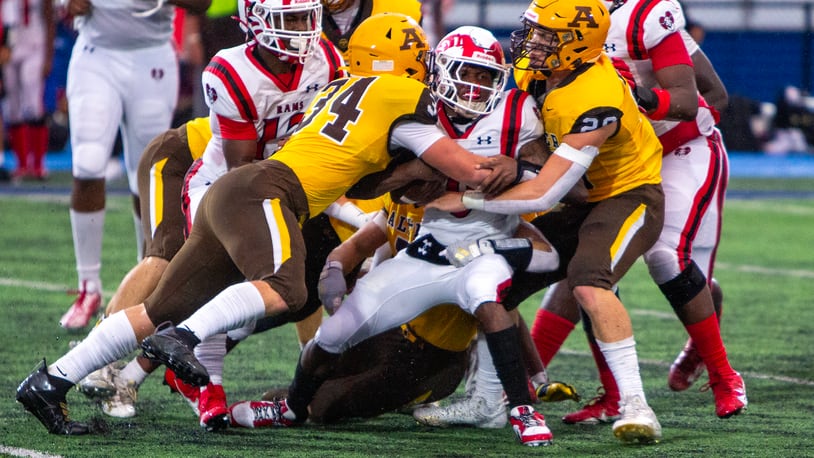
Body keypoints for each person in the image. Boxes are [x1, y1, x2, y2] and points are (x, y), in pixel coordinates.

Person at [16, 12, 519, 436]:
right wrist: (516, 164)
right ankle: (185, 338)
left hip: (234, 189)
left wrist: (408, 171)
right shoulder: (407, 104)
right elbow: (470, 170)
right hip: (265, 191)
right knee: (286, 289)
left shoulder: (349, 92)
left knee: (156, 310)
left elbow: (361, 185)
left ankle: (51, 381)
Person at [77, 0, 345, 430]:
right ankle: (99, 361)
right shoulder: (232, 70)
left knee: (282, 266)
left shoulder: (328, 59)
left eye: (303, 16)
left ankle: (190, 381)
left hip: (270, 181)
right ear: (256, 21)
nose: (300, 29)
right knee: (169, 268)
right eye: (287, 19)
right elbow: (243, 169)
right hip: (203, 171)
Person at [430, 0, 667, 444]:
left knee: (589, 281)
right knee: (494, 282)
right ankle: (486, 400)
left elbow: (546, 190)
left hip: (627, 195)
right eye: (533, 31)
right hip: (580, 197)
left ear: (576, 45)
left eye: (546, 36)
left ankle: (638, 405)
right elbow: (532, 143)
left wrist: (464, 196)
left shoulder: (594, 96)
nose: (532, 43)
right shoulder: (538, 72)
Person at [526, 0, 746, 424]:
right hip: (615, 158)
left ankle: (724, 375)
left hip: (678, 148)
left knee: (666, 259)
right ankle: (568, 388)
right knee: (588, 265)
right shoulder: (559, 15)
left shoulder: (646, 17)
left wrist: (638, 98)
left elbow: (706, 97)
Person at [59, 0, 212, 330]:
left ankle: (147, 277)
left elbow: (204, 3)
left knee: (147, 175)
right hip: (95, 53)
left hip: (151, 56)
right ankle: (88, 286)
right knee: (87, 166)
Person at [2, 0, 54, 180]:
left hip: (35, 45)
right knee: (13, 106)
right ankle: (22, 164)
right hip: (10, 46)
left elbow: (49, 17)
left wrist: (49, 55)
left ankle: (38, 164)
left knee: (33, 102)